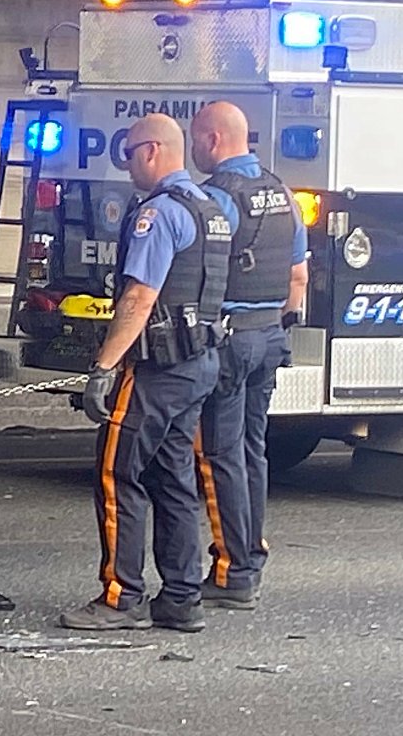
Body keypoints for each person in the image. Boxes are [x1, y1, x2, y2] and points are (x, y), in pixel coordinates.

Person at [61, 113, 232, 633]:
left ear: (152, 151)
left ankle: (121, 596)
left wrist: (103, 368)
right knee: (174, 478)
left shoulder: (158, 214)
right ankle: (181, 597)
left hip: (156, 369)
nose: (127, 164)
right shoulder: (212, 209)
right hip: (200, 362)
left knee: (119, 474)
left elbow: (139, 297)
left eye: (129, 153)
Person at [190, 102, 308, 610]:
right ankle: (251, 555)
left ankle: (232, 571)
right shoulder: (284, 193)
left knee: (220, 456)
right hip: (269, 337)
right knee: (252, 452)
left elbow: (202, 278)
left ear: (213, 141)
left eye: (197, 139)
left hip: (232, 341)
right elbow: (298, 279)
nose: (195, 148)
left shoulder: (218, 198)